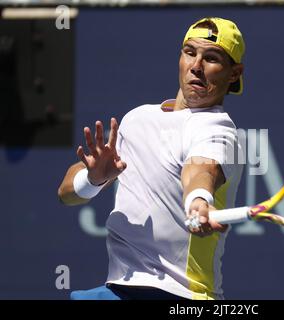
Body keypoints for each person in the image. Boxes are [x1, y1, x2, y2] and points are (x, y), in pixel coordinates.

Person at [58, 17, 245, 300]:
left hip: (180, 296)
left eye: (212, 58)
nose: (196, 66)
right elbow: (66, 194)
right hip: (118, 288)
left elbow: (201, 170)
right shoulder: (137, 119)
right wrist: (92, 179)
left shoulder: (217, 129)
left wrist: (198, 200)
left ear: (233, 73)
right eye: (190, 52)